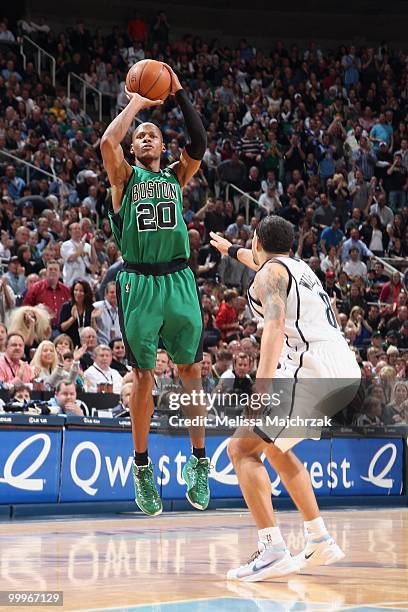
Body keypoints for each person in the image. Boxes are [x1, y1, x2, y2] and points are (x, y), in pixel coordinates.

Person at [210, 216, 360, 581]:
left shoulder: (270, 275)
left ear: (258, 239)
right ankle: (319, 538)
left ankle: (273, 549)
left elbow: (274, 328)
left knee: (240, 449)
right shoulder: (296, 267)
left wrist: (260, 390)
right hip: (343, 371)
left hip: (314, 370)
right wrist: (230, 250)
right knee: (275, 449)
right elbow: (255, 261)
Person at [101, 63, 210, 516]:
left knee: (190, 372)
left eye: (153, 134)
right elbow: (108, 142)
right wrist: (137, 103)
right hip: (140, 282)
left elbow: (199, 143)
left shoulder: (175, 178)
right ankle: (142, 468)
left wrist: (179, 92)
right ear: (133, 146)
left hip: (180, 280)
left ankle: (199, 462)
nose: (145, 137)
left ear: (164, 147)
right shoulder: (124, 180)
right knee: (144, 376)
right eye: (139, 135)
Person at [23, 260, 71, 330]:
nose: (53, 271)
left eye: (55, 269)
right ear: (46, 272)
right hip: (41, 329)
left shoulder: (66, 290)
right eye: (50, 269)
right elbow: (26, 308)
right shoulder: (35, 288)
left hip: (62, 330)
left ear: (60, 273)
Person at [59, 279, 96, 347]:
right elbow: (62, 328)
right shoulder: (67, 306)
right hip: (70, 343)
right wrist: (73, 318)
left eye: (81, 291)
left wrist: (93, 319)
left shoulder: (90, 308)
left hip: (87, 344)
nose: (78, 293)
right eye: (76, 290)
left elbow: (94, 330)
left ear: (86, 293)